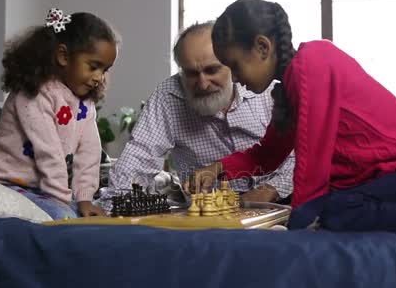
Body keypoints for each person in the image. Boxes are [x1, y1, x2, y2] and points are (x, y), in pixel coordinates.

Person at [188, 0, 396, 267]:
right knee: (321, 208)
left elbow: (313, 165)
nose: (237, 80)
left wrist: (299, 228)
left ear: (262, 47)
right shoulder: (289, 89)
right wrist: (217, 169)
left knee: (328, 210)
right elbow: (267, 154)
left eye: (236, 66)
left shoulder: (315, 61)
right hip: (384, 188)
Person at [100, 21, 294, 212]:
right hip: (208, 213)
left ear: (231, 64)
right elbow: (139, 156)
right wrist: (112, 207)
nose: (202, 84)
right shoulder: (168, 96)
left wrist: (270, 190)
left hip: (282, 202)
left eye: (212, 70)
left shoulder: (268, 87)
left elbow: (302, 151)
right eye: (192, 73)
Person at [0, 8, 120, 220]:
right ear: (63, 56)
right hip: (4, 181)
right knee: (65, 217)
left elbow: (89, 152)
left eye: (104, 70)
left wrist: (84, 198)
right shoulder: (35, 93)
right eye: (93, 67)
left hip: (42, 189)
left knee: (85, 214)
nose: (99, 77)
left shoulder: (85, 103)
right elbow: (49, 152)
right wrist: (63, 201)